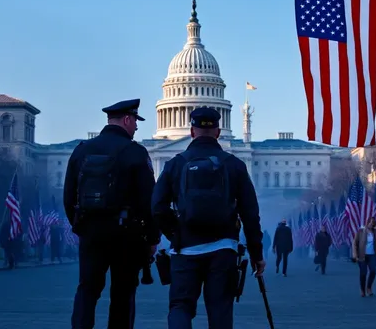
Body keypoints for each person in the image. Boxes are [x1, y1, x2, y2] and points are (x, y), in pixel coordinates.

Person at [152, 107, 264, 329]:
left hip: (185, 249)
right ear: (218, 132)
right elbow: (250, 213)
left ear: (192, 131)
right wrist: (256, 254)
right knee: (220, 310)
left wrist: (176, 233)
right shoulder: (234, 165)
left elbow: (157, 207)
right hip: (223, 249)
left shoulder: (175, 163)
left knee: (180, 307)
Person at [64, 99, 160, 329]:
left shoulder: (82, 150)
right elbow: (149, 199)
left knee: (87, 290)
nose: (136, 127)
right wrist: (152, 237)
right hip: (127, 235)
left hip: (91, 232)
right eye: (135, 121)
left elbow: (69, 196)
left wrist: (80, 226)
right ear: (127, 119)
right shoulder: (135, 152)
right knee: (123, 294)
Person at [352, 217, 376, 297]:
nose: (372, 224)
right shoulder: (361, 231)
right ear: (367, 223)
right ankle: (362, 290)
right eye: (370, 223)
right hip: (362, 255)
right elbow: (355, 243)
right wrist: (355, 255)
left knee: (373, 271)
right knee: (363, 273)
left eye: (373, 223)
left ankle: (369, 287)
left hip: (372, 255)